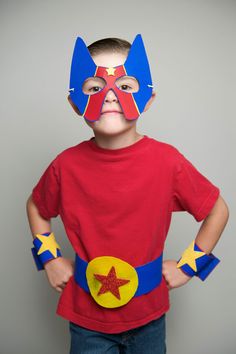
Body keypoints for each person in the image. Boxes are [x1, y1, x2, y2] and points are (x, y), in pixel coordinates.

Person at [26, 34, 229, 354]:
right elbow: (36, 206)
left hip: (149, 317)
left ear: (147, 98)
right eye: (94, 87)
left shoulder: (168, 161)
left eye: (125, 86)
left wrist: (190, 266)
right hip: (86, 320)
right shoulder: (66, 165)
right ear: (74, 101)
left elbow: (218, 209)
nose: (109, 96)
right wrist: (48, 258)